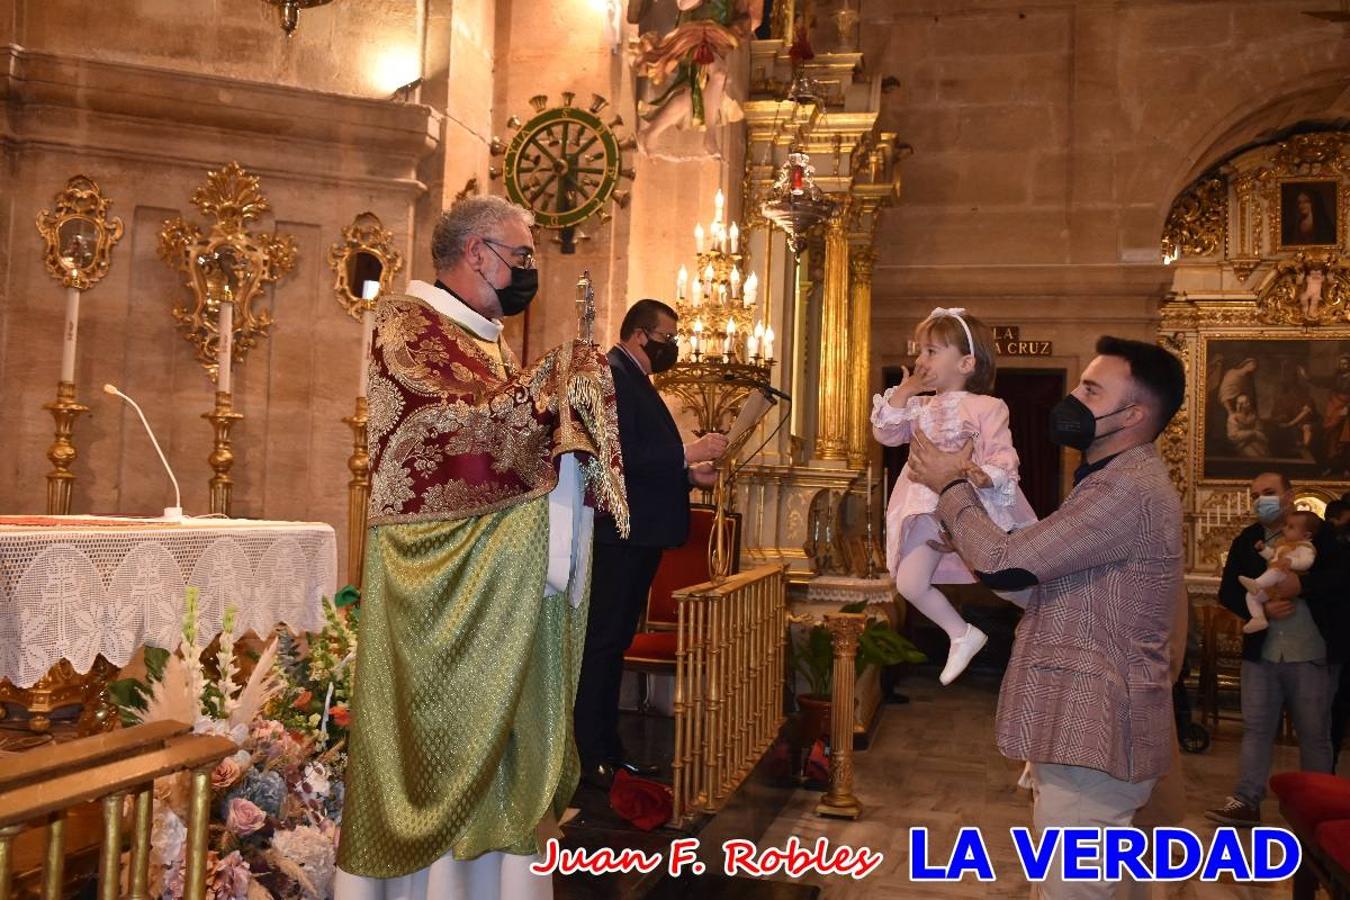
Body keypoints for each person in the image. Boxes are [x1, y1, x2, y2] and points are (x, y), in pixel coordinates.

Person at [335, 196, 629, 900]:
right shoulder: (408, 326)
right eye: (522, 256)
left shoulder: (486, 340)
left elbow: (509, 433)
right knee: (447, 737)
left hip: (498, 578)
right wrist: (558, 378)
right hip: (439, 580)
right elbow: (450, 437)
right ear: (477, 254)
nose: (529, 272)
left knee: (505, 742)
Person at [907, 335, 1186, 900]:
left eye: (1091, 389)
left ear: (1132, 414)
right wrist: (965, 541)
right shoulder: (1112, 483)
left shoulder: (1126, 488)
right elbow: (1052, 588)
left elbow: (1009, 564)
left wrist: (952, 488)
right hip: (1088, 730)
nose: (1076, 399)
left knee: (1070, 891)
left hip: (1097, 729)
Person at [574, 299, 726, 788]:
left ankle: (608, 746)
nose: (672, 348)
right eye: (667, 337)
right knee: (603, 642)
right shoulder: (613, 373)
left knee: (614, 641)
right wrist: (688, 452)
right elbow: (618, 454)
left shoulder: (637, 379)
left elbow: (645, 467)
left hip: (640, 530)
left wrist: (687, 475)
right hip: (620, 534)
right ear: (640, 334)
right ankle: (589, 748)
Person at [870, 307, 1037, 685]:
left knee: (1007, 580)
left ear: (966, 363)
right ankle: (961, 634)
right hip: (924, 505)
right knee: (909, 583)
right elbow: (885, 432)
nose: (920, 360)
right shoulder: (918, 407)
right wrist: (906, 391)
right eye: (920, 351)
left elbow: (1003, 456)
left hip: (970, 504)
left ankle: (1048, 618)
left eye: (931, 352)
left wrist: (984, 474)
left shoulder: (988, 406)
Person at [1205, 473, 1340, 827]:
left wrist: (1301, 586)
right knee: (1256, 729)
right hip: (1262, 653)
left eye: (1268, 493)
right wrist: (1263, 609)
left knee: (1314, 733)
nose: (1260, 500)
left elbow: (1341, 579)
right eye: (1255, 495)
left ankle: (1318, 805)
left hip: (1311, 652)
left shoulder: (1323, 536)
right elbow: (1229, 591)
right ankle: (1247, 800)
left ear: (1289, 496)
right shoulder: (1248, 539)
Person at [1238, 510, 1320, 634]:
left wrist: (1291, 562)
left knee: (1276, 571)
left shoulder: (1305, 546)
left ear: (1306, 535)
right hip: (1272, 585)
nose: (1285, 529)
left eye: (1291, 527)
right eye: (1286, 525)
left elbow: (1306, 562)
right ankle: (1258, 619)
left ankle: (1256, 584)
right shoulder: (1282, 544)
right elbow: (1273, 556)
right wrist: (1263, 549)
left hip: (1286, 576)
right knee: (1251, 596)